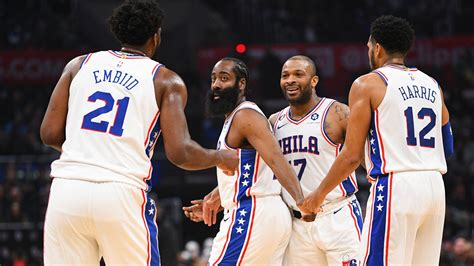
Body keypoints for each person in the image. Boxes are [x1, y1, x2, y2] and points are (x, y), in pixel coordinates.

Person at [40, 0, 238, 265]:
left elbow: (49, 133)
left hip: (67, 190)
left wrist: (91, 148)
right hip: (121, 192)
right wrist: (220, 157)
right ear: (156, 36)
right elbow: (180, 153)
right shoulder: (165, 79)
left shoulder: (78, 65)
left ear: (117, 32)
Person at [303, 15, 454, 265]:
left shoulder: (367, 84)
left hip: (397, 185)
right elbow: (447, 146)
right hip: (435, 187)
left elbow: (351, 155)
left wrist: (318, 195)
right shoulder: (433, 85)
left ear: (377, 48)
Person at [184, 57, 311, 265]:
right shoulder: (234, 117)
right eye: (213, 78)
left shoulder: (245, 116)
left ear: (241, 84)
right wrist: (218, 198)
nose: (216, 84)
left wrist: (302, 202)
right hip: (262, 214)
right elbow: (251, 170)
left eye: (224, 78)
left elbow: (276, 160)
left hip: (252, 214)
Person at [269, 55, 362, 265]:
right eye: (285, 76)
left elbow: (360, 157)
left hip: (337, 214)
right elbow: (257, 168)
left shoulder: (337, 112)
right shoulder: (274, 122)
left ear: (314, 80)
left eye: (298, 74)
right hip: (296, 222)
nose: (290, 80)